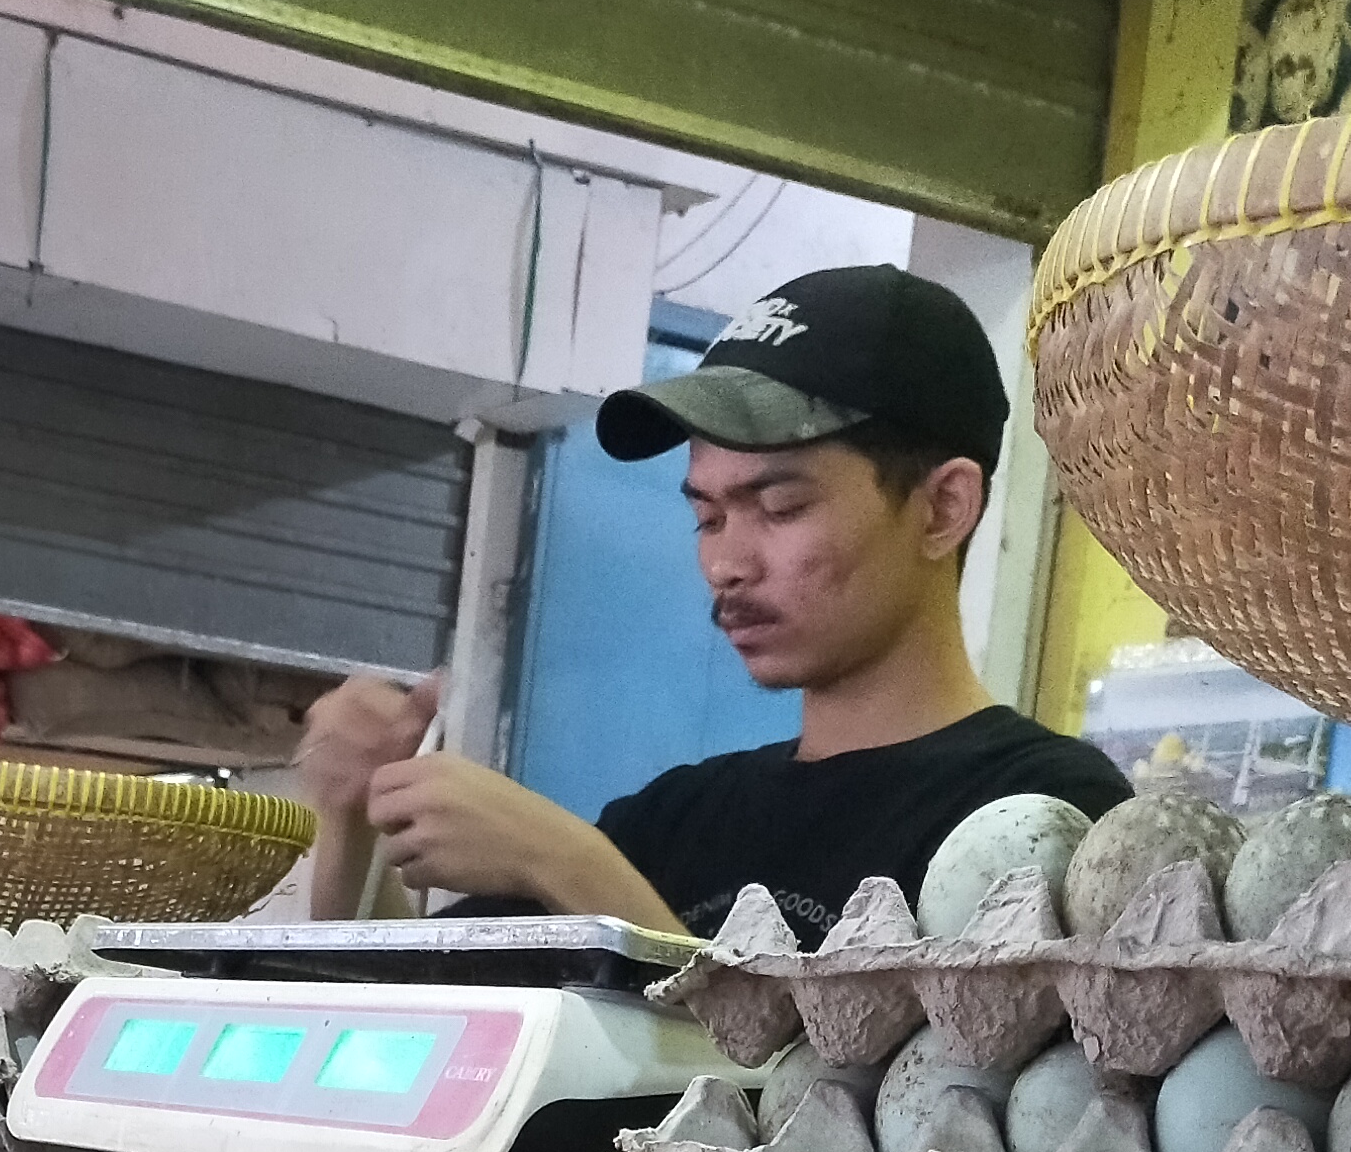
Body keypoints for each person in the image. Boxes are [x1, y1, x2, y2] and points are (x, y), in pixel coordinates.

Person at [297, 264, 1133, 940]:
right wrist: (353, 825)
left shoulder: (1042, 812)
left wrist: (573, 871)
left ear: (943, 508)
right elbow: (393, 1030)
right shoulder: (678, 819)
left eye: (781, 508)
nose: (727, 563)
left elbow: (878, 1127)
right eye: (706, 516)